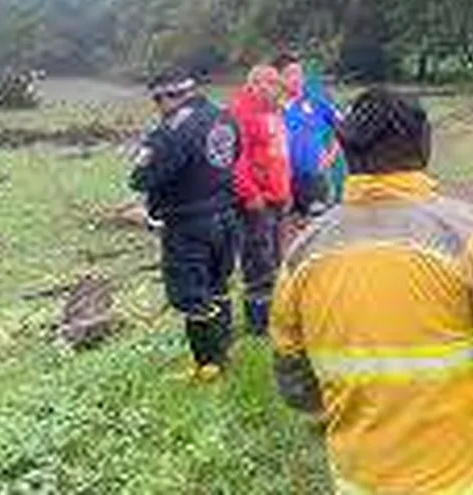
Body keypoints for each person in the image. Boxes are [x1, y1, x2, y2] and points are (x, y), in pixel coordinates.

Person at [270, 87, 473, 495]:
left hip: (359, 479)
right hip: (460, 481)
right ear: (425, 147)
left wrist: (326, 421)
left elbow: (292, 372)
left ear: (347, 154)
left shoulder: (303, 253)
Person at [128, 67, 241, 382]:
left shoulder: (171, 131)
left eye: (157, 101)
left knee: (192, 296)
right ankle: (224, 352)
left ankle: (208, 367)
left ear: (165, 97)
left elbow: (141, 177)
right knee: (219, 287)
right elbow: (234, 157)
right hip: (226, 217)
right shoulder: (224, 117)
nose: (158, 108)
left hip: (188, 224)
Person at [229, 64, 292, 336]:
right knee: (258, 260)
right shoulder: (241, 113)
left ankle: (275, 316)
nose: (270, 88)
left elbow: (279, 156)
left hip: (277, 198)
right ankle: (258, 326)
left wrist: (286, 192)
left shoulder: (275, 112)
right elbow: (235, 159)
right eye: (263, 83)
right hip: (257, 201)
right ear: (251, 84)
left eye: (274, 83)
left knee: (276, 259)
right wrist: (249, 193)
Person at [280, 61, 346, 217]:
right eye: (289, 74)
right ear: (279, 79)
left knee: (316, 230)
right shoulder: (272, 106)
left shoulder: (316, 102)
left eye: (298, 74)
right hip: (281, 180)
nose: (295, 79)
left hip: (314, 178)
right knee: (288, 232)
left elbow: (344, 128)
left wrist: (330, 156)